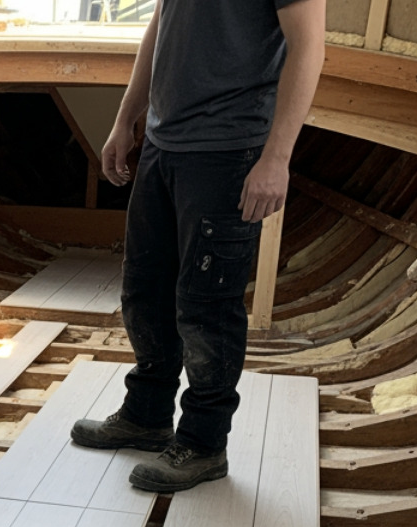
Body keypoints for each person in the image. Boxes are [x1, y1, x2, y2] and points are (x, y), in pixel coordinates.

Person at [70, 0, 326, 491]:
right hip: (165, 144)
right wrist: (127, 119)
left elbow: (309, 47)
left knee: (205, 308)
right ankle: (146, 415)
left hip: (228, 149)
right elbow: (162, 20)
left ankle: (204, 443)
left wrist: (277, 159)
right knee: (145, 291)